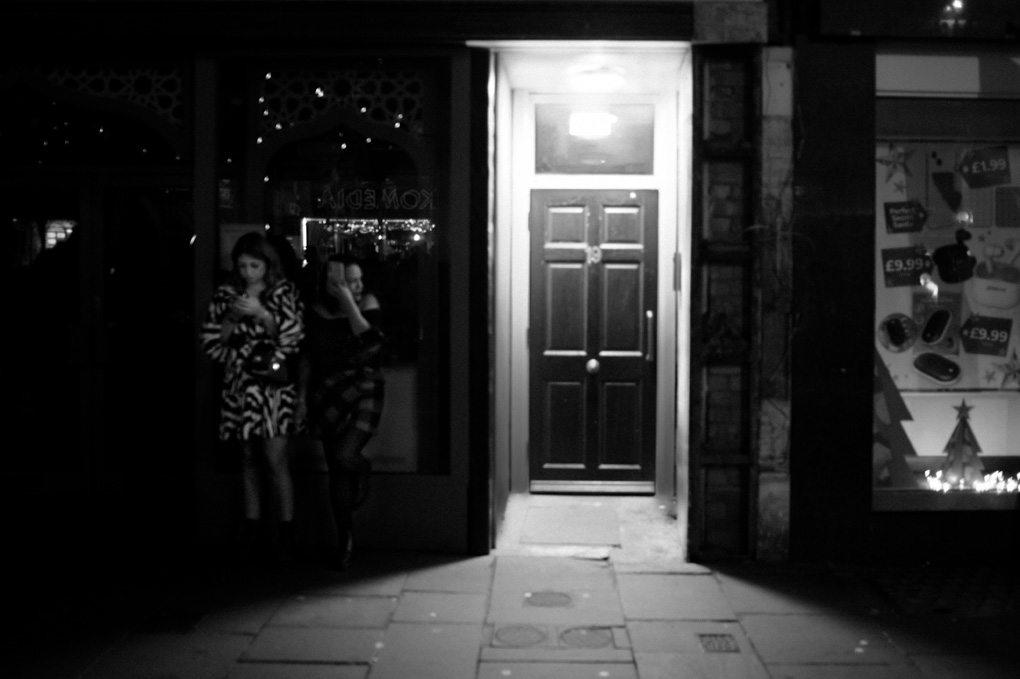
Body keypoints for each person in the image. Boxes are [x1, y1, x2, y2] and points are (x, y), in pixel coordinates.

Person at [200, 231, 305, 563]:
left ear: (267, 265)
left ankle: (286, 530)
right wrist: (232, 315)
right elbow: (212, 342)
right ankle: (252, 525)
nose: (247, 272)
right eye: (242, 266)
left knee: (275, 459)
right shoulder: (227, 294)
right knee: (247, 457)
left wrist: (262, 313)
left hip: (272, 387)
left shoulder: (284, 292)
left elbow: (293, 340)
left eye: (254, 266)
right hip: (239, 384)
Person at [298, 254, 386, 570]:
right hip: (328, 392)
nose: (358, 286)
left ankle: (362, 468)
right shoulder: (317, 314)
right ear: (332, 283)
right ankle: (345, 538)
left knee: (344, 456)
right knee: (336, 470)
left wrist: (350, 302)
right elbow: (308, 358)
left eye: (360, 280)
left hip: (364, 388)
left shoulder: (368, 304)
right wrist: (301, 400)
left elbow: (372, 343)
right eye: (350, 281)